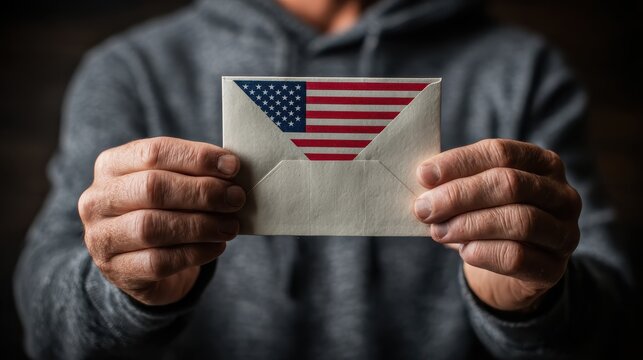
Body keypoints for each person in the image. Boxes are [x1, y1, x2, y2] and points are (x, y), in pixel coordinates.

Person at [14, 0, 635, 358]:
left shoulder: (521, 70)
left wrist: (535, 300)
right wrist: (123, 293)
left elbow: (614, 314)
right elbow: (44, 325)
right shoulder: (131, 70)